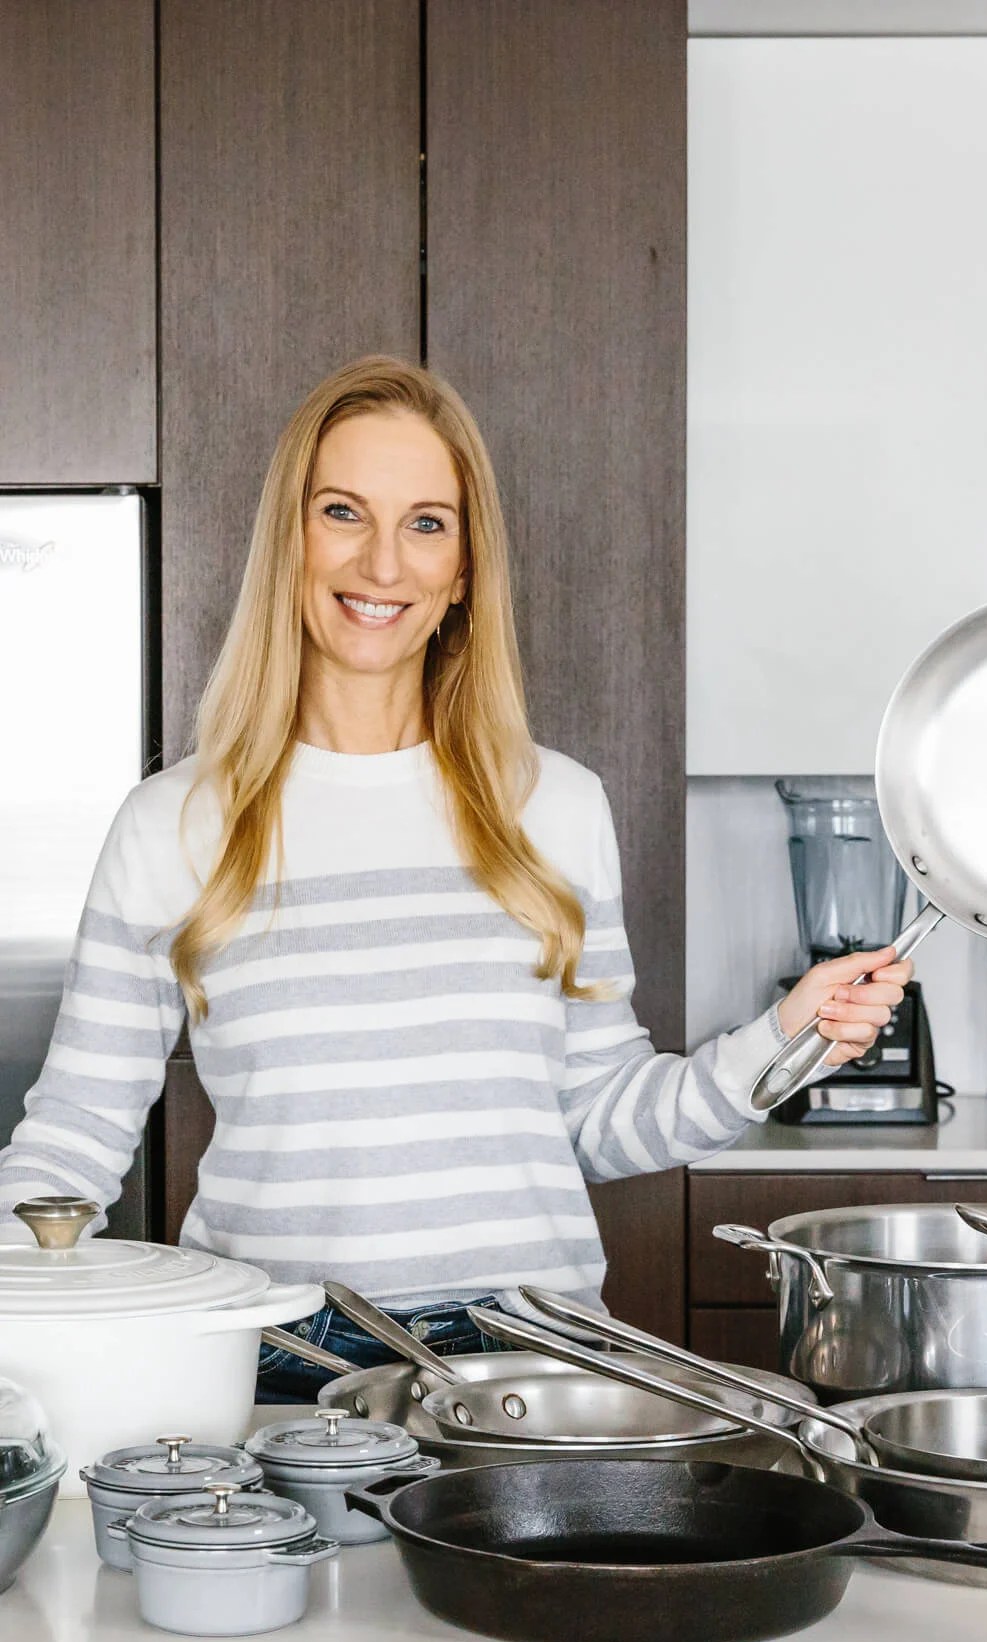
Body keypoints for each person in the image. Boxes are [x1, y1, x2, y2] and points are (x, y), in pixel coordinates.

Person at [0, 356, 912, 1400]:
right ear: (290, 540)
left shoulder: (555, 806)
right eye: (343, 512)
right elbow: (71, 1141)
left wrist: (783, 1040)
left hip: (535, 1360)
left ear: (467, 566)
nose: (383, 561)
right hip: (279, 1360)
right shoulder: (175, 826)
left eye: (427, 523)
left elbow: (601, 1117)